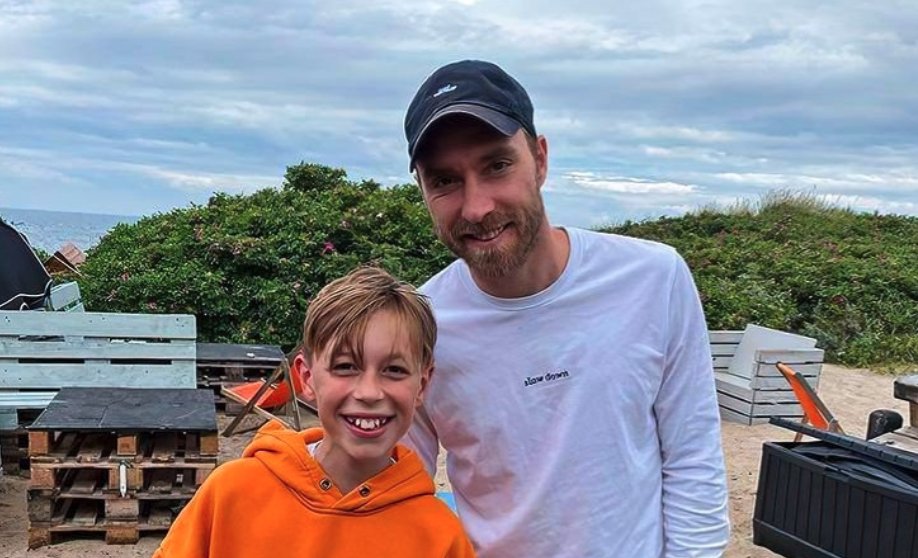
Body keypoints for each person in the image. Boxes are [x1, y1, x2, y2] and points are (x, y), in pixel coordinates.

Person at [403, 60, 730, 557]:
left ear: (540, 158)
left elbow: (693, 457)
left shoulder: (652, 278)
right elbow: (397, 487)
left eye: (497, 165)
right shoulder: (422, 323)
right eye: (445, 181)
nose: (476, 207)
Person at [152, 267, 476, 558]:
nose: (369, 392)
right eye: (346, 367)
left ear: (422, 384)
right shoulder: (231, 494)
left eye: (393, 370)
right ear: (307, 377)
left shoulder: (441, 538)